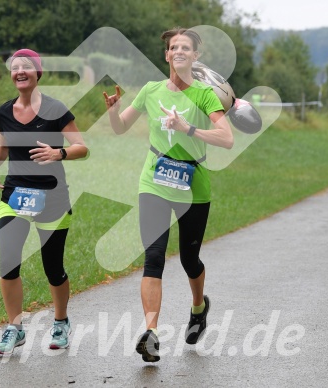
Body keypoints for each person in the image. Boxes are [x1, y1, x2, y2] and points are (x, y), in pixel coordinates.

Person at [103, 27, 234, 362]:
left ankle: (199, 307)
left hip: (193, 186)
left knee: (190, 259)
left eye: (185, 48)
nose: (178, 51)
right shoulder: (150, 90)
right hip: (154, 182)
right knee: (154, 257)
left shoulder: (204, 95)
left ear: (195, 56)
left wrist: (188, 128)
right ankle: (151, 334)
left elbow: (226, 139)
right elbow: (119, 128)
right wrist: (113, 110)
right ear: (167, 55)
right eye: (173, 47)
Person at [0, 49, 88, 354]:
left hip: (52, 197)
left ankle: (61, 322)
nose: (20, 72)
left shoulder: (56, 109)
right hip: (15, 195)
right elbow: (3, 144)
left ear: (37, 73)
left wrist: (60, 153)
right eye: (15, 68)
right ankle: (14, 328)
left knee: (52, 267)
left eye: (26, 67)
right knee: (8, 261)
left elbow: (82, 146)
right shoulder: (4, 112)